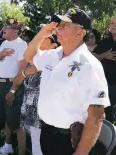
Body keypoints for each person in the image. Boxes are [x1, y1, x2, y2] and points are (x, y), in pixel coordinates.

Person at [23, 8, 110, 155]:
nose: (58, 28)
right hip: (46, 132)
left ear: (80, 33)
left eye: (65, 25)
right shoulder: (54, 54)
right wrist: (42, 33)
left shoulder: (89, 65)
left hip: (67, 141)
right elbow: (29, 57)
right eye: (59, 24)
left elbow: (96, 116)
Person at [10, 34, 59, 155]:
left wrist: (24, 73)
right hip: (30, 106)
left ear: (54, 46)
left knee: (41, 144)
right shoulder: (37, 59)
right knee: (35, 142)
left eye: (45, 38)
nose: (40, 40)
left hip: (42, 111)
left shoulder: (54, 61)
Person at [0, 18, 28, 155]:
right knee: (7, 117)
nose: (3, 30)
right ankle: (7, 146)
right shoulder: (3, 44)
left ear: (14, 31)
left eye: (6, 28)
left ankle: (22, 152)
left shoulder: (22, 45)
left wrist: (13, 90)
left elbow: (21, 71)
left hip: (13, 85)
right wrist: (1, 54)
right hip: (2, 84)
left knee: (17, 123)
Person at [92, 16, 116, 124]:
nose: (113, 25)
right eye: (112, 23)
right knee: (107, 115)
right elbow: (92, 56)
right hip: (106, 85)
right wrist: (104, 55)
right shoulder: (104, 42)